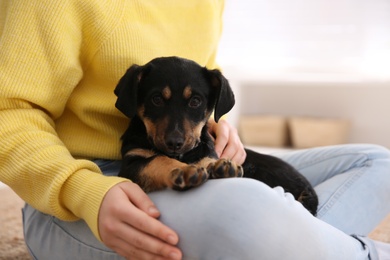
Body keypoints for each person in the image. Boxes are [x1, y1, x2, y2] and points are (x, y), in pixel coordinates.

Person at [1, 0, 390, 259]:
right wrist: (82, 192)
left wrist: (219, 127)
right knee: (246, 207)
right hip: (81, 196)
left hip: (197, 162)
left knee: (377, 162)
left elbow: (201, 83)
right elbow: (8, 110)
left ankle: (288, 241)